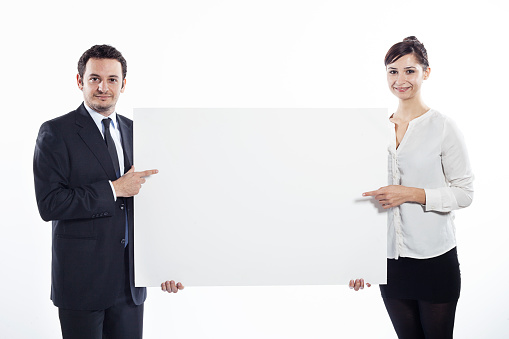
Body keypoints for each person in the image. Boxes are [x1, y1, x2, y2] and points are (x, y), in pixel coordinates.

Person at [34, 44, 184, 339]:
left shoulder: (138, 131)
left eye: (112, 79)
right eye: (94, 79)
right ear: (80, 81)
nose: (103, 87)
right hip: (82, 283)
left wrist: (164, 263)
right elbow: (50, 204)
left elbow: (157, 205)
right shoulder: (56, 132)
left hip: (130, 283)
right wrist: (114, 189)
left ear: (123, 84)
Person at [349, 36, 474, 339]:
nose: (400, 80)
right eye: (393, 71)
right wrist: (356, 259)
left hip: (435, 258)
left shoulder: (442, 126)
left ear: (425, 73)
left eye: (410, 71)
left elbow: (465, 192)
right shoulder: (373, 129)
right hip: (390, 262)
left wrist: (410, 194)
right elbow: (361, 200)